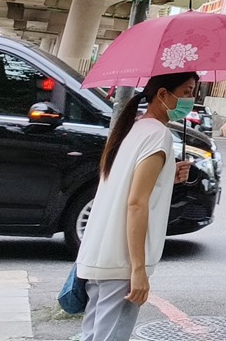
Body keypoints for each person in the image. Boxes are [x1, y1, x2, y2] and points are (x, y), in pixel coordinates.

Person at [77, 71, 198, 341]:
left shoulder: (134, 128)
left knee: (92, 336)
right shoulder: (158, 135)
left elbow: (127, 185)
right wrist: (138, 269)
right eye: (187, 92)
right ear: (163, 94)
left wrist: (167, 175)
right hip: (122, 262)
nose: (191, 99)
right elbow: (136, 203)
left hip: (101, 255)